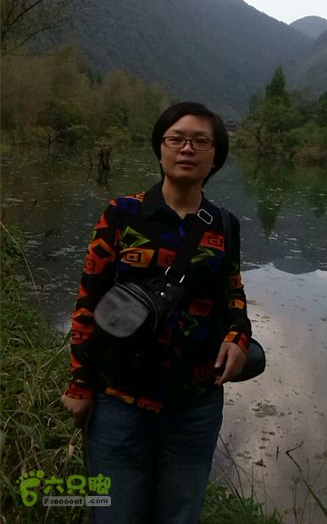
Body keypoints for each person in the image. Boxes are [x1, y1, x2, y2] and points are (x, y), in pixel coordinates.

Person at [61, 101, 251, 524]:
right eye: (176, 139)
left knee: (180, 514)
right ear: (160, 149)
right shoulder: (122, 213)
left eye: (200, 141)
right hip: (120, 399)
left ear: (216, 157)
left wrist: (238, 338)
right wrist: (80, 383)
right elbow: (89, 300)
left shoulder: (225, 225)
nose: (187, 148)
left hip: (195, 404)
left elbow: (233, 294)